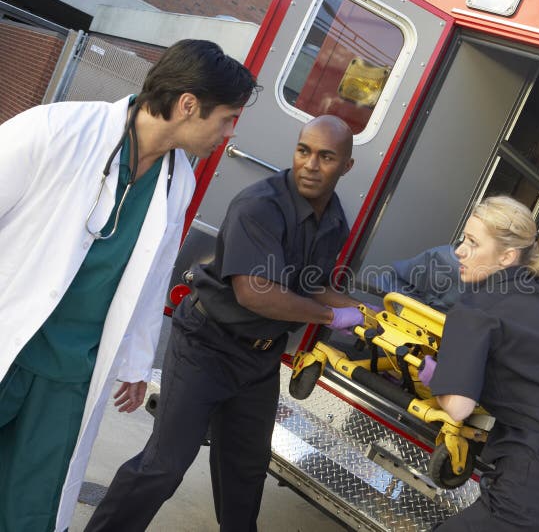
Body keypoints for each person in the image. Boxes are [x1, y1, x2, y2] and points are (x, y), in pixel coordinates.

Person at [0, 40, 257, 532]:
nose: (228, 134)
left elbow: (151, 275)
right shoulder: (57, 129)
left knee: (30, 507)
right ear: (188, 105)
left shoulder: (176, 179)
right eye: (226, 118)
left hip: (71, 373)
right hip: (11, 336)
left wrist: (138, 362)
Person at [85, 115, 364, 531]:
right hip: (207, 345)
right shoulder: (260, 205)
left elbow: (311, 283)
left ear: (346, 166)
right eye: (304, 150)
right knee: (165, 465)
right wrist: (330, 316)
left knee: (245, 472)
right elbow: (255, 290)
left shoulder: (334, 219)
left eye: (326, 157)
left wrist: (365, 316)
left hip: (259, 360)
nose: (310, 164)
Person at [425, 196, 539, 531]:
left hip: (523, 498)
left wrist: (437, 375)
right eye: (463, 239)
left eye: (473, 243)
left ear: (507, 255)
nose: (459, 250)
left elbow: (459, 408)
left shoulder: (475, 309)